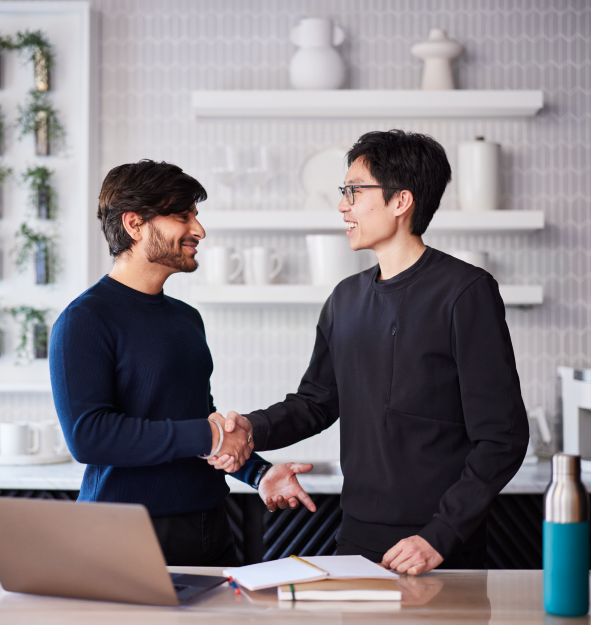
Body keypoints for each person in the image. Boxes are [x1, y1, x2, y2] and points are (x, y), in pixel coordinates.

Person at [210, 130, 529, 574]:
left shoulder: (466, 292)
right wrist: (251, 428)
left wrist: (440, 536)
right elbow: (316, 402)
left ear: (401, 201)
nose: (343, 205)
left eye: (354, 191)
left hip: (438, 545)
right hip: (355, 535)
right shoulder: (344, 298)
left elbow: (503, 438)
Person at [49, 160, 315, 567]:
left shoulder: (186, 318)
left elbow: (195, 422)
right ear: (134, 224)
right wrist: (209, 436)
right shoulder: (84, 320)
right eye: (182, 216)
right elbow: (89, 436)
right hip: (124, 532)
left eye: (196, 215)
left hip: (210, 525)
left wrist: (258, 474)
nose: (199, 230)